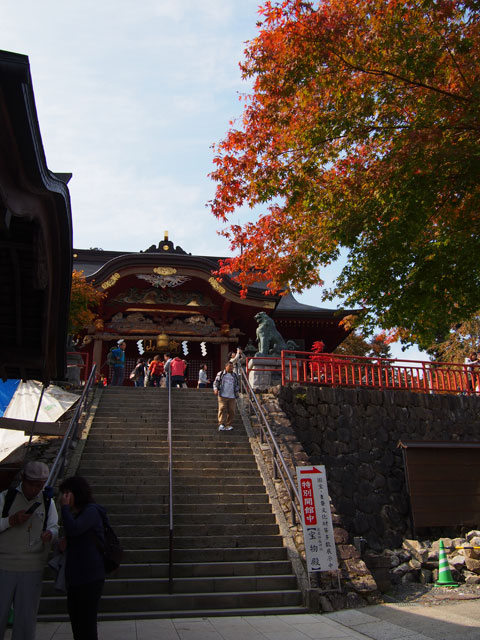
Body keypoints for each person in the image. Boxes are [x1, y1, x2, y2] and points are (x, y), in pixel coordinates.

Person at [0, 461, 58, 640]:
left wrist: (50, 534)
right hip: (4, 564)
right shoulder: (5, 498)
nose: (35, 489)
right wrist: (11, 520)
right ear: (23, 479)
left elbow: (54, 526)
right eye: (32, 484)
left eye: (40, 485)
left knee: (26, 618)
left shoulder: (47, 502)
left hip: (33, 566)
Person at [59, 476, 106, 640]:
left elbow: (74, 529)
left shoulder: (91, 511)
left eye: (66, 493)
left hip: (89, 577)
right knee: (78, 625)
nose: (63, 498)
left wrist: (64, 509)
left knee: (86, 625)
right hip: (77, 577)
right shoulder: (79, 513)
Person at [213, 361, 239, 431]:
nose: (231, 368)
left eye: (232, 367)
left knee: (232, 410)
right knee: (222, 408)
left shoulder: (234, 375)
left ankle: (228, 424)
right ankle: (221, 424)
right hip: (222, 395)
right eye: (230, 366)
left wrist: (237, 392)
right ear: (226, 367)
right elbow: (216, 382)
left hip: (232, 396)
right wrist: (215, 389)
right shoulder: (221, 374)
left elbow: (237, 384)